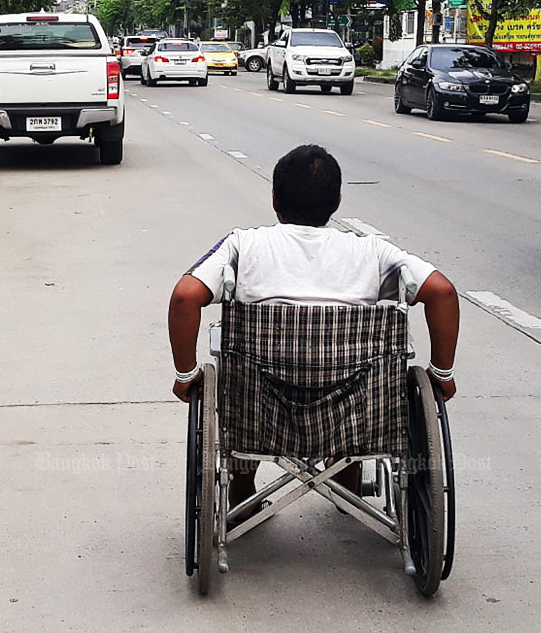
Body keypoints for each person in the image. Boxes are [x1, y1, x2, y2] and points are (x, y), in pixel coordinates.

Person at [167, 144, 460, 515]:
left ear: (275, 200)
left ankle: (241, 496)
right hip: (352, 418)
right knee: (358, 387)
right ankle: (345, 485)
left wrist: (185, 374)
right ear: (337, 202)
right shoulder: (373, 253)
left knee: (242, 386)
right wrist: (442, 374)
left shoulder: (244, 246)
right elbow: (443, 293)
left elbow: (184, 297)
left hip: (259, 417)